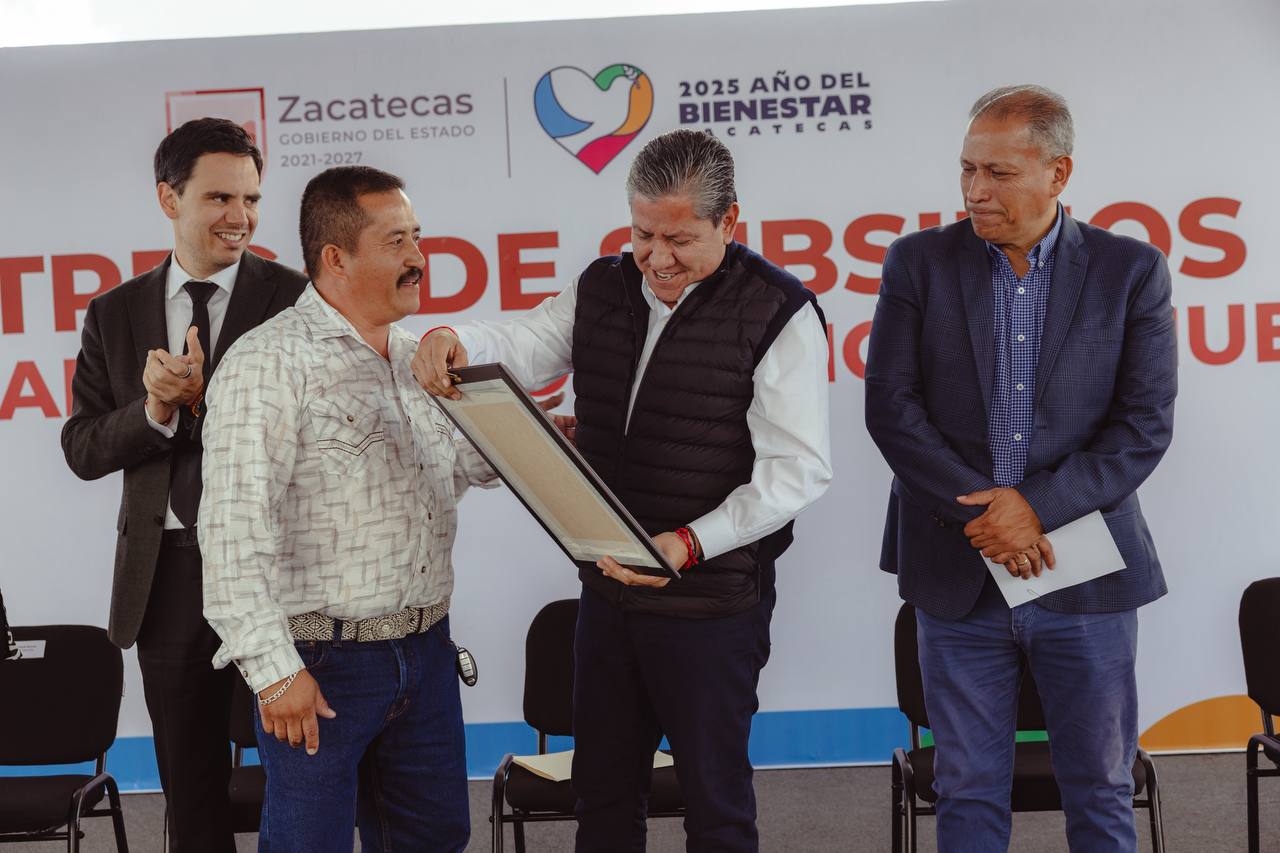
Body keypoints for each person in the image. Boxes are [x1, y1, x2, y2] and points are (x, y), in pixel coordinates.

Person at [415, 128, 833, 852]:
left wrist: (690, 543)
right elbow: (527, 343)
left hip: (711, 606)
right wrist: (458, 338)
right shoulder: (602, 286)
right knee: (602, 800)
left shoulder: (779, 311)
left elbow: (795, 472)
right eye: (643, 234)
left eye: (680, 239)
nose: (657, 258)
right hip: (608, 594)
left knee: (717, 809)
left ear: (729, 222)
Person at [864, 84, 1177, 852]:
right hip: (957, 566)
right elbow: (892, 410)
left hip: (1087, 573)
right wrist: (990, 517)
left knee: (1099, 786)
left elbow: (1142, 427)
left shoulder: (1131, 271)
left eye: (998, 173)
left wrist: (1032, 508)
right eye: (967, 168)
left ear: (1057, 173)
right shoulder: (918, 263)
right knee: (967, 788)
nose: (975, 190)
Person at [200, 165, 497, 853]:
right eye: (397, 241)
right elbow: (232, 530)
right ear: (336, 258)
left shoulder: (415, 359)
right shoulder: (267, 362)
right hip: (321, 663)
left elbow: (451, 470)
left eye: (417, 236)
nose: (419, 256)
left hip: (426, 651)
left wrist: (528, 439)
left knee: (435, 840)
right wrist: (275, 672)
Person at [60, 117, 307, 852]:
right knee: (191, 791)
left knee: (303, 777)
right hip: (166, 577)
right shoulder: (114, 312)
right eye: (220, 197)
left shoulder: (298, 300)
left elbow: (316, 432)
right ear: (169, 198)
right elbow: (82, 447)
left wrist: (205, 400)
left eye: (251, 198)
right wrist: (155, 411)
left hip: (280, 571)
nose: (241, 216)